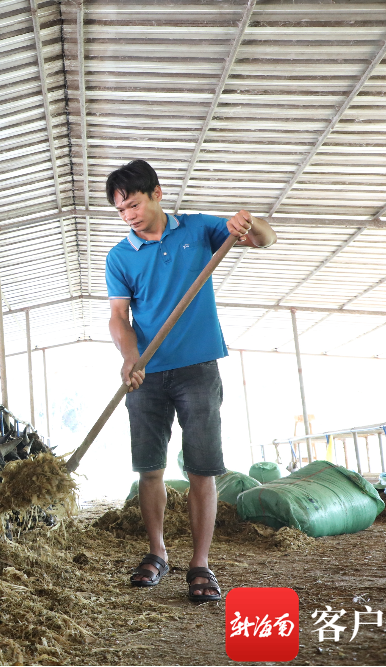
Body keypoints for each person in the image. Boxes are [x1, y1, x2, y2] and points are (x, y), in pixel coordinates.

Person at [104, 160, 276, 602]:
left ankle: (200, 564)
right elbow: (119, 318)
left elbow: (263, 241)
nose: (130, 216)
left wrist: (250, 222)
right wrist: (130, 357)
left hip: (198, 368)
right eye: (121, 211)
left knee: (202, 467)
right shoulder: (120, 256)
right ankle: (157, 552)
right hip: (148, 372)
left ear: (157, 193)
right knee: (149, 467)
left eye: (135, 204)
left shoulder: (199, 229)